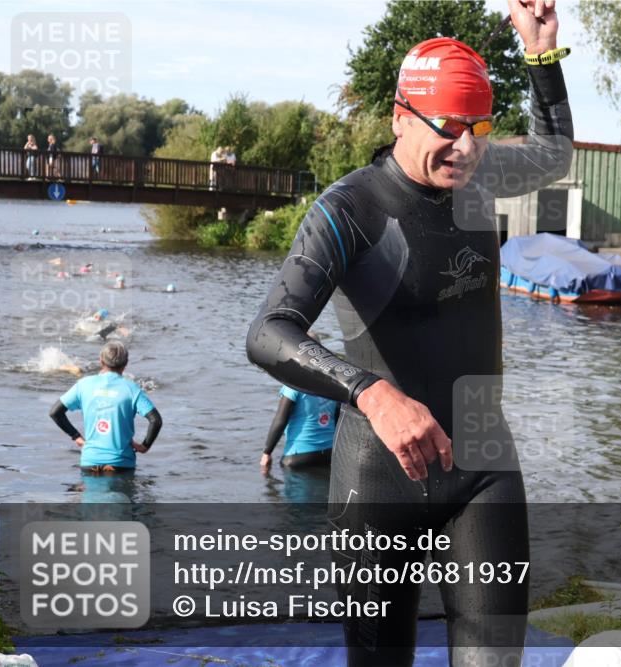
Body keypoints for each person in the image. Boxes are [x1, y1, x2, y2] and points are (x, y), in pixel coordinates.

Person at [245, 1, 572, 664]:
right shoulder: (349, 208)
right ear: (400, 116)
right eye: (450, 127)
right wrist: (370, 391)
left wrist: (540, 58)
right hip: (380, 479)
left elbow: (550, 154)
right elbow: (269, 331)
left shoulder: (475, 181)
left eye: (480, 127)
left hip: (483, 463)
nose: (469, 147)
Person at [49, 341, 162, 473]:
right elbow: (156, 420)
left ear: (101, 361)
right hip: (121, 464)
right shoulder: (131, 388)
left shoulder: (84, 385)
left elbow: (55, 412)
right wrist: (144, 446)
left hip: (90, 462)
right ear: (125, 364)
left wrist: (76, 437)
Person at [260, 383, 339, 470]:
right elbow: (338, 418)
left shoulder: (293, 385)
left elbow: (280, 420)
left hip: (299, 455)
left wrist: (267, 453)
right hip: (329, 454)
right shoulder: (332, 385)